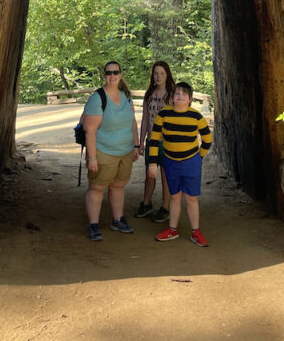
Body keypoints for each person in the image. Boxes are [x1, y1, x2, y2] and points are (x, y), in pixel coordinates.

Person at [147, 81, 212, 247]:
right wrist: (153, 163)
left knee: (191, 198)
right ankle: (172, 229)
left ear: (190, 99)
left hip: (191, 162)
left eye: (184, 94)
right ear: (172, 97)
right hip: (170, 162)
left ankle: (195, 232)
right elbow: (154, 140)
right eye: (177, 94)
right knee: (174, 196)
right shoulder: (163, 114)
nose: (180, 97)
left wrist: (199, 158)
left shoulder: (196, 117)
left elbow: (207, 139)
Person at [83, 61, 140, 242]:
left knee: (118, 185)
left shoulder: (126, 96)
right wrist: (92, 158)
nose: (112, 76)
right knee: (97, 187)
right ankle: (93, 225)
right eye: (109, 73)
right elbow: (89, 130)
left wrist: (136, 146)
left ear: (121, 74)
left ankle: (118, 219)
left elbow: (132, 122)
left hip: (125, 151)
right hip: (103, 150)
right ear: (104, 75)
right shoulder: (98, 98)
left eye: (116, 72)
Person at [134, 60, 174, 222]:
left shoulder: (172, 95)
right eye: (156, 74)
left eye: (162, 74)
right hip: (152, 141)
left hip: (167, 142)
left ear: (167, 75)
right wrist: (141, 141)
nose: (158, 77)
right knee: (150, 174)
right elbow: (144, 120)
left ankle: (165, 207)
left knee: (165, 175)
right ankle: (146, 203)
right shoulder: (149, 94)